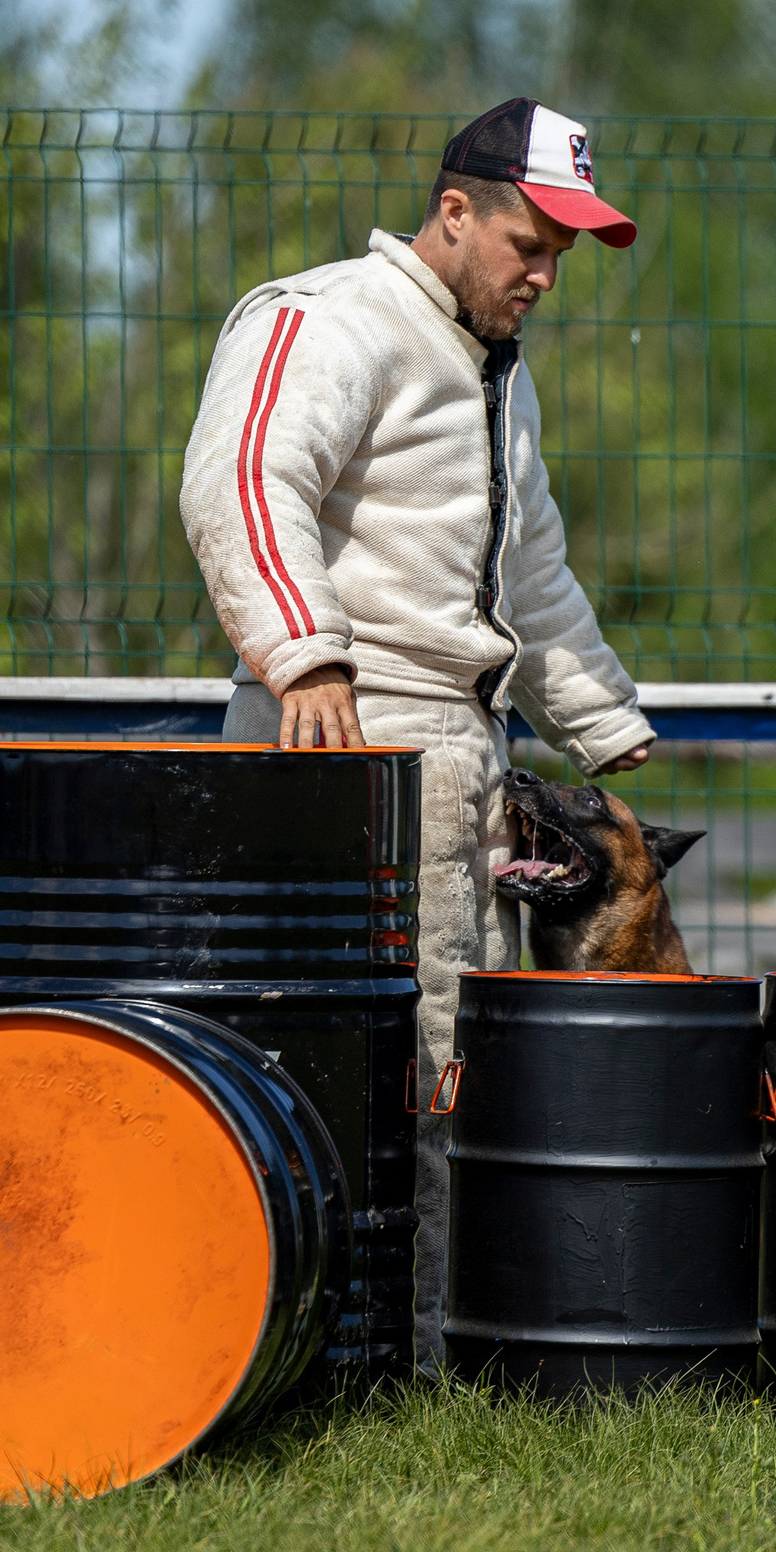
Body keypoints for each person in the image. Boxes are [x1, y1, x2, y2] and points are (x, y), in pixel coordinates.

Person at [178, 96, 655, 1369]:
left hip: (454, 749)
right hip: (339, 730)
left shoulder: (497, 376)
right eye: (530, 244)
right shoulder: (327, 319)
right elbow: (240, 477)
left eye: (562, 255)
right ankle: (325, 1349)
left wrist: (600, 720)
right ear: (456, 213)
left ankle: (417, 1350)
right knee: (338, 1056)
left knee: (443, 1056)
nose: (545, 277)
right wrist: (303, 655)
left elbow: (531, 575)